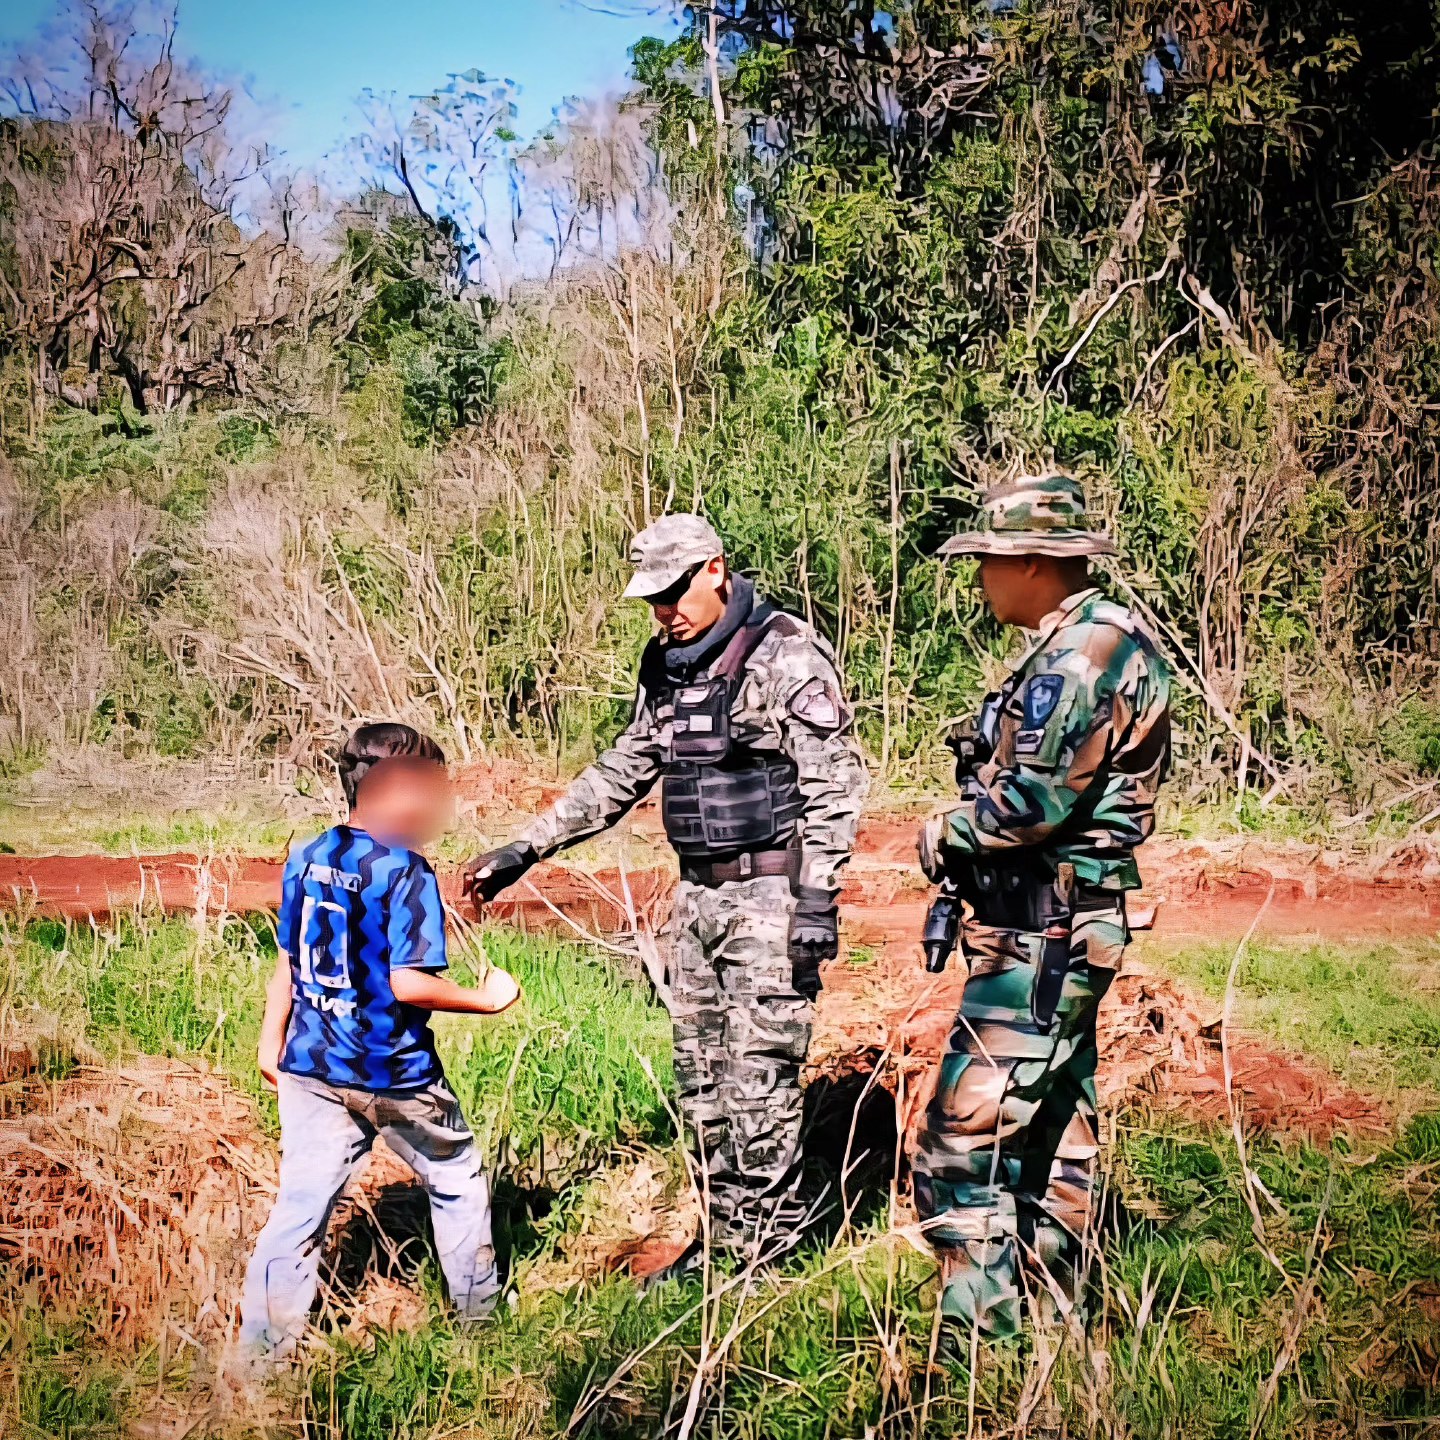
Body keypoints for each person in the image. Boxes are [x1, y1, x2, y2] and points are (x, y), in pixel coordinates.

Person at [464, 514, 866, 1268]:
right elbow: (626, 766)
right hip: (697, 904)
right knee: (704, 1086)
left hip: (770, 898)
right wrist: (529, 845)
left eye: (675, 591)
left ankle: (768, 1260)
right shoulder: (669, 664)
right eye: (652, 598)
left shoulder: (785, 654)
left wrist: (817, 901)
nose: (665, 610)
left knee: (761, 1085)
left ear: (714, 570)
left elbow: (835, 788)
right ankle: (726, 1244)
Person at [912, 474, 1172, 1338]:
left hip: (1042, 932)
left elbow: (1033, 805)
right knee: (1056, 1120)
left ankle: (980, 1347)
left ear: (1032, 561)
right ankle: (1054, 1312)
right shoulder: (1096, 643)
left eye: (989, 560)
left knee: (962, 1139)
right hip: (1057, 925)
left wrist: (943, 831)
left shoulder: (1082, 658)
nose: (982, 577)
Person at [240, 723, 520, 1360]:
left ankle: (257, 1359)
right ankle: (482, 1335)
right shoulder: (406, 871)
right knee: (457, 1182)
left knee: (299, 1211)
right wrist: (486, 999)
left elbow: (289, 955)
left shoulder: (309, 854)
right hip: (393, 1073)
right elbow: (407, 984)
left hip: (310, 1064)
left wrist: (270, 1039)